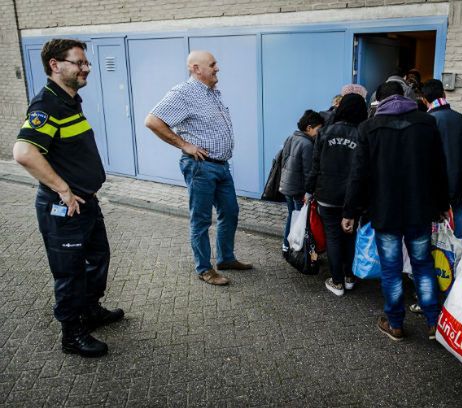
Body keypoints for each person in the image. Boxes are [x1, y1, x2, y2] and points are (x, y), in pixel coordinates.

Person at [13, 38, 124, 358]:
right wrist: (63, 189)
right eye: (79, 62)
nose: (86, 67)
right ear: (55, 65)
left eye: (86, 62)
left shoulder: (69, 100)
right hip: (64, 208)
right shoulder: (46, 105)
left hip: (87, 203)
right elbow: (24, 152)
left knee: (98, 257)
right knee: (70, 271)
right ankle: (72, 334)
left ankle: (90, 310)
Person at [342, 81, 449, 341]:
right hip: (419, 210)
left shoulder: (369, 128)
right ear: (405, 97)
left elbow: (359, 175)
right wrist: (442, 205)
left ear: (379, 102)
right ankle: (434, 322)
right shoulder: (426, 123)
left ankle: (396, 324)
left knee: (391, 269)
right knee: (422, 265)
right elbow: (438, 168)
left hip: (385, 211)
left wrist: (350, 212)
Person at [145, 50, 252, 287]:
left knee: (230, 212)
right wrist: (184, 144)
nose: (217, 68)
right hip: (200, 167)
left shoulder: (213, 92)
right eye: (213, 64)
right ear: (196, 68)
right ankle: (205, 269)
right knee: (201, 219)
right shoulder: (183, 93)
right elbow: (152, 120)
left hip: (222, 167)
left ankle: (226, 258)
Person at [305, 94, 368, 296]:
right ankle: (349, 277)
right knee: (350, 236)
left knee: (333, 236)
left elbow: (315, 166)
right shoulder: (362, 134)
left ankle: (337, 282)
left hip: (327, 194)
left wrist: (309, 189)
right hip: (352, 197)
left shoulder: (325, 132)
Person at [421, 79, 462, 250]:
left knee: (433, 238)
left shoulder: (427, 121)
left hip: (433, 191)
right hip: (460, 188)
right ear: (443, 94)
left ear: (423, 99)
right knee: (457, 237)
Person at [278, 110, 325, 255]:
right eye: (319, 129)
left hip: (287, 186)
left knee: (293, 216)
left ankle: (287, 245)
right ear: (309, 127)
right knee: (301, 220)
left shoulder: (291, 137)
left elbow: (283, 161)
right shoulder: (307, 144)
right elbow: (308, 172)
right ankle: (299, 249)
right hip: (299, 189)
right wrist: (309, 192)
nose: (320, 132)